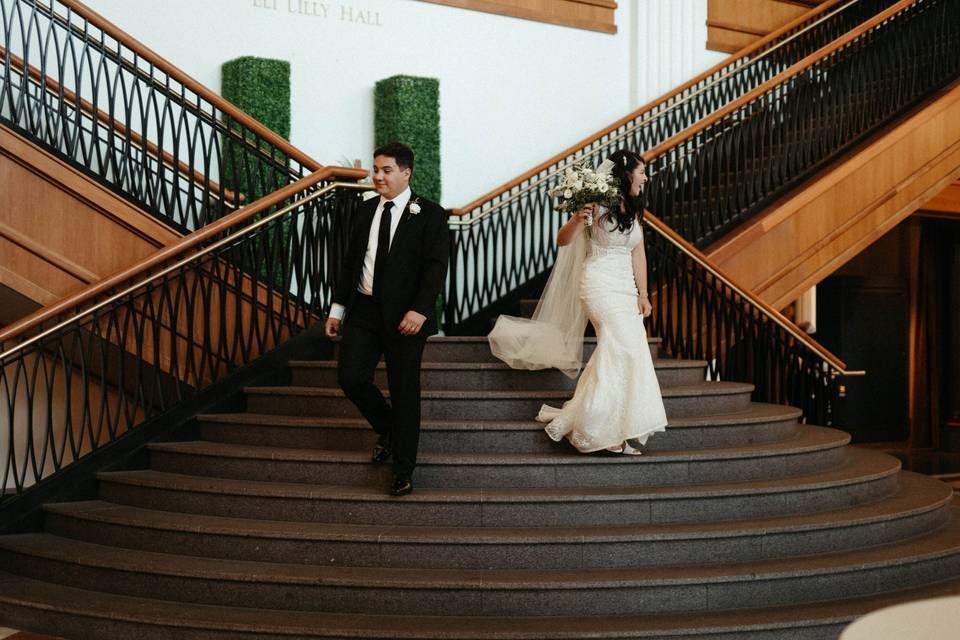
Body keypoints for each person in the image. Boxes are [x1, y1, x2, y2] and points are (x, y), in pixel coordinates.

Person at [489, 149, 667, 454]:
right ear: (626, 174)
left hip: (625, 287)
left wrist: (642, 293)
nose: (646, 177)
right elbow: (563, 240)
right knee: (618, 346)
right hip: (598, 283)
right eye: (642, 171)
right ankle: (600, 430)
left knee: (627, 350)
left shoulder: (636, 208)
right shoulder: (595, 204)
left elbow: (638, 253)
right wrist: (576, 218)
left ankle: (610, 424)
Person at [325, 142, 450, 496]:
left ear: (406, 173)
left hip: (406, 317)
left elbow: (435, 268)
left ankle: (404, 469)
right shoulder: (365, 211)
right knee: (350, 377)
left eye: (386, 171)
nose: (377, 177)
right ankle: (391, 429)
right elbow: (350, 263)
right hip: (364, 310)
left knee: (404, 390)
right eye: (376, 170)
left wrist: (420, 310)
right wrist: (338, 309)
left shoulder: (430, 214)